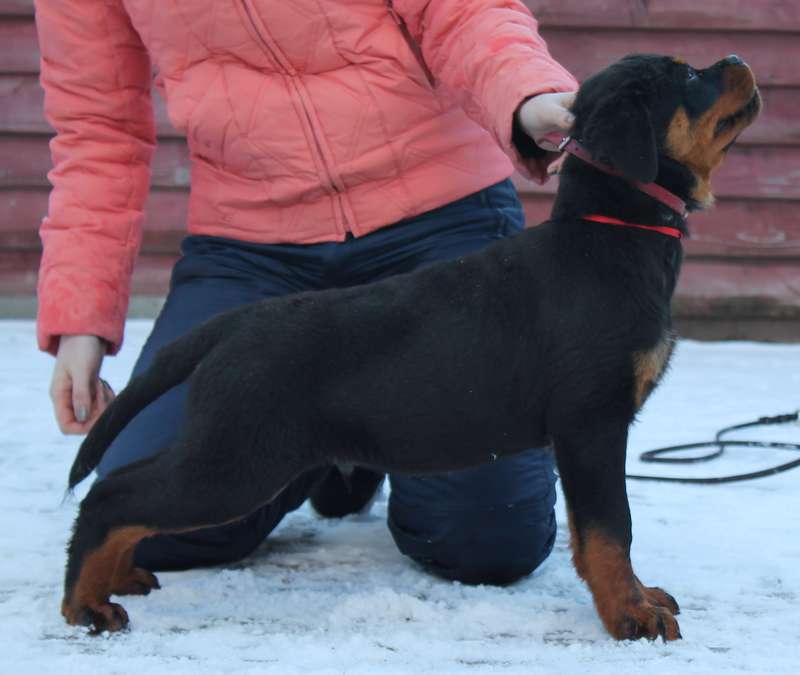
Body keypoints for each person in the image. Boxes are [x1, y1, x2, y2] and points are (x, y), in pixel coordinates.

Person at [36, 1, 577, 585]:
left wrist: (526, 94)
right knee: (156, 528)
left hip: (437, 222)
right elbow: (98, 128)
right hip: (252, 248)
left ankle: (378, 429)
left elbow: (463, 12)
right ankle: (329, 434)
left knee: (484, 544)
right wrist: (81, 323)